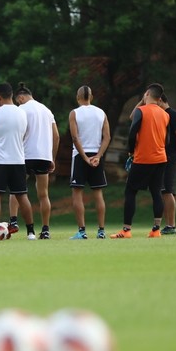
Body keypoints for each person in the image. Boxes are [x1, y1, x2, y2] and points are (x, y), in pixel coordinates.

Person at [0, 82, 35, 241]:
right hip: (18, 160)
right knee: (22, 196)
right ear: (12, 95)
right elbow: (24, 133)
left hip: (0, 161)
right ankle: (31, 233)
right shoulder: (22, 113)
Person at [111, 83, 169, 239]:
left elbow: (132, 133)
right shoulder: (165, 114)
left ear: (147, 94)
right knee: (156, 191)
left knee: (130, 191)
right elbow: (167, 139)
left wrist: (131, 151)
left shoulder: (140, 111)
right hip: (161, 158)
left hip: (143, 157)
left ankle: (126, 230)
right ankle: (156, 229)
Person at [8, 83, 59, 239]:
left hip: (24, 156)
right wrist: (52, 158)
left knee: (16, 190)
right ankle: (45, 229)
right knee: (43, 194)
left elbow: (18, 132)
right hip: (43, 156)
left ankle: (14, 221)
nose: (18, 103)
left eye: (18, 100)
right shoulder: (47, 110)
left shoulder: (21, 110)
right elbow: (56, 136)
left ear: (21, 97)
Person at [68, 85, 111, 240]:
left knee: (77, 193)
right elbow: (107, 137)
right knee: (98, 193)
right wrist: (98, 156)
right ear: (91, 97)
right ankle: (101, 231)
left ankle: (82, 231)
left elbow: (74, 137)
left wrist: (85, 157)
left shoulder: (74, 113)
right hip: (96, 156)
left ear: (77, 97)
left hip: (80, 156)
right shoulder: (101, 113)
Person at [157, 94, 176, 235]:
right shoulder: (159, 115)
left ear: (160, 100)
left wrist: (175, 150)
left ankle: (171, 225)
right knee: (163, 191)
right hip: (160, 156)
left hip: (169, 155)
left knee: (168, 190)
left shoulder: (173, 114)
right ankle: (165, 224)